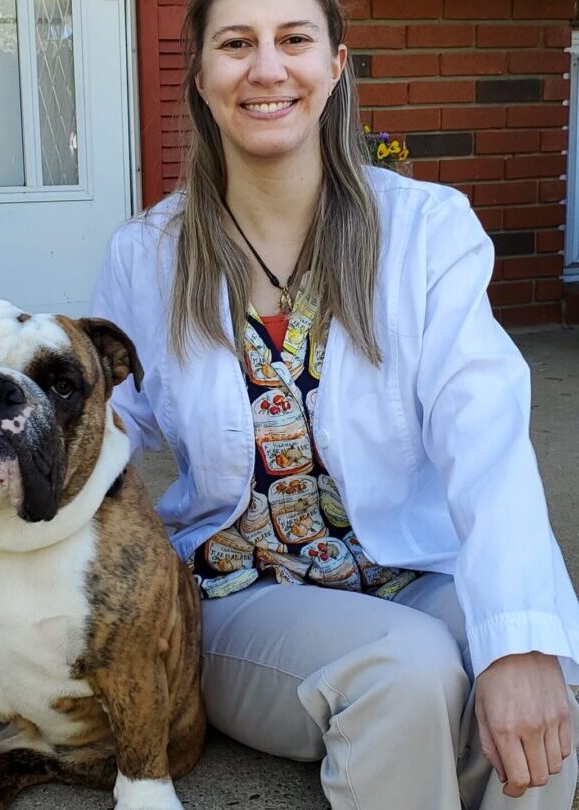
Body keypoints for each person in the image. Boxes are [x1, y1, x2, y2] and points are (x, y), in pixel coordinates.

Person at [90, 0, 579, 807]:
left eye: (294, 40)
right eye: (236, 44)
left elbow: (485, 435)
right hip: (242, 592)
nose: (268, 69)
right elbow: (114, 427)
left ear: (336, 64)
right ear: (203, 76)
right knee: (406, 670)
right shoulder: (147, 255)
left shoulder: (426, 230)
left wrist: (519, 643)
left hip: (409, 568)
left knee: (550, 659)